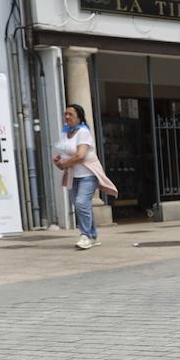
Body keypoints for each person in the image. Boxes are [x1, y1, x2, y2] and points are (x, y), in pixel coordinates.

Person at [53, 104, 117, 250]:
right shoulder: (65, 133)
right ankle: (92, 236)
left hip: (88, 174)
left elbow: (80, 155)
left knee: (81, 203)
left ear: (79, 118)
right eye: (66, 114)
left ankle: (85, 236)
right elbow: (62, 156)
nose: (67, 117)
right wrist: (59, 162)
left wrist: (64, 163)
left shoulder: (83, 132)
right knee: (81, 205)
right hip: (73, 175)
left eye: (71, 114)